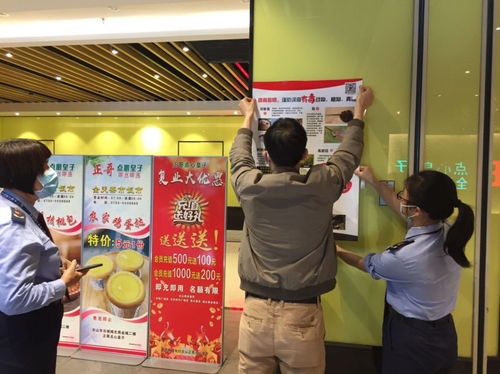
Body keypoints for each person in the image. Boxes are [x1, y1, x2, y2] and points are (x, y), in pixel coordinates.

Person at [230, 86, 374, 373]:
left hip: (255, 312)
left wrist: (247, 118)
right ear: (305, 155)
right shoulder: (322, 185)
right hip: (303, 313)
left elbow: (239, 158)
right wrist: (359, 111)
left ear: (267, 155)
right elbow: (348, 155)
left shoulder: (249, 186)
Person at [336, 166, 474, 374]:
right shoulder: (448, 231)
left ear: (416, 210)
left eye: (403, 196)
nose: (399, 199)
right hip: (444, 333)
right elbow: (403, 210)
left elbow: (364, 264)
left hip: (412, 339)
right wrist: (374, 182)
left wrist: (334, 248)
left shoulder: (406, 257)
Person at [0, 138, 83, 374]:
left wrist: (50, 265)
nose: (51, 173)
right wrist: (62, 283)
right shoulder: (12, 223)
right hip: (22, 337)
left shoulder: (13, 207)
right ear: (24, 173)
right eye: (44, 166)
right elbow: (14, 299)